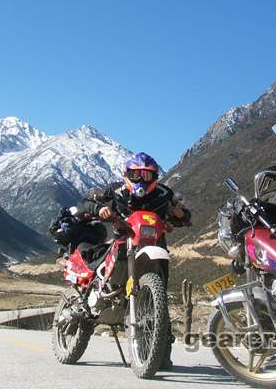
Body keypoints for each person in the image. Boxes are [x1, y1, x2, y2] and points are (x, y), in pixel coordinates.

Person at [78, 151, 191, 369]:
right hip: (123, 241)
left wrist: (179, 214)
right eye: (135, 174)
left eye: (146, 175)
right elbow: (85, 202)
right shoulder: (114, 190)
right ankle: (95, 293)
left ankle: (161, 354)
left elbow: (185, 216)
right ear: (126, 174)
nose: (140, 179)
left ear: (154, 176)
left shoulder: (164, 193)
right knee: (105, 266)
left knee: (160, 297)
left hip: (155, 244)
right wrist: (99, 208)